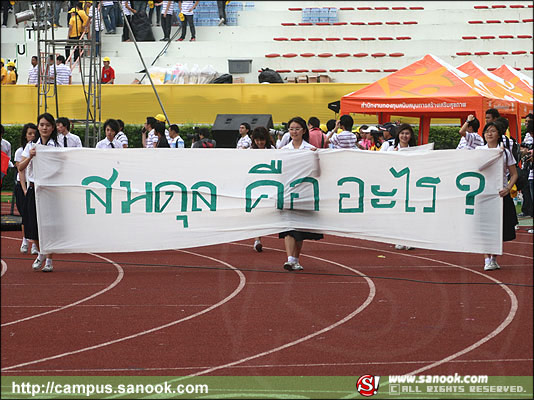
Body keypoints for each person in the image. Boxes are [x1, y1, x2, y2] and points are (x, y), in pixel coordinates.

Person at [17, 113, 60, 272]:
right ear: (38, 126)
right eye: (42, 125)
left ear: (52, 128)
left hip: (49, 189)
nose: (44, 128)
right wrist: (31, 157)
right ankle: (41, 252)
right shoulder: (31, 146)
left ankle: (48, 260)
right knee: (31, 225)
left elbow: (59, 168)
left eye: (48, 125)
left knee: (48, 225)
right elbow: (20, 167)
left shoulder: (56, 147)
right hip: (34, 189)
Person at [279, 117, 321, 271]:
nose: (294, 132)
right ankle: (290, 259)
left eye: (297, 128)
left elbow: (317, 172)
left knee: (299, 229)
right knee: (288, 227)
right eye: (291, 129)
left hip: (304, 193)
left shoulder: (310, 149)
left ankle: (295, 259)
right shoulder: (283, 151)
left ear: (304, 130)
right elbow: (280, 173)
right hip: (288, 193)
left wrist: (314, 157)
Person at [476, 121, 518, 271]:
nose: (489, 133)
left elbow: (514, 174)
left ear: (499, 134)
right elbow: (476, 167)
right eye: (487, 131)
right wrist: (494, 155)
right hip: (482, 194)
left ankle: (494, 257)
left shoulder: (505, 152)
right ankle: (486, 258)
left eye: (493, 131)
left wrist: (507, 188)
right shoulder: (479, 150)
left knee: (499, 227)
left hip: (500, 194)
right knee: (484, 227)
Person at [13, 123, 39, 255]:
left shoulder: (38, 147)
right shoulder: (20, 151)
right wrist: (24, 188)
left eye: (34, 133)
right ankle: (24, 240)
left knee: (34, 216)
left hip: (31, 186)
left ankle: (35, 244)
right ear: (25, 135)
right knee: (25, 215)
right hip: (22, 185)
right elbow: (21, 171)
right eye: (29, 133)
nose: (32, 136)